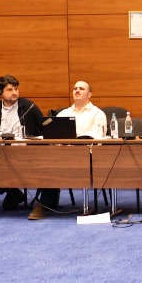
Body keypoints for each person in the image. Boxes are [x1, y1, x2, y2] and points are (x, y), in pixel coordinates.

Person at [32, 81, 108, 219]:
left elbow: (96, 136)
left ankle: (44, 203)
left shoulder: (98, 114)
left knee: (54, 164)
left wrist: (75, 144)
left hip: (87, 157)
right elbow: (53, 136)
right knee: (45, 162)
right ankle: (44, 203)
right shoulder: (63, 113)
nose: (77, 90)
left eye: (81, 88)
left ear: (89, 94)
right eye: (75, 88)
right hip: (62, 154)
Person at [0, 75, 46, 211]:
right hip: (0, 151)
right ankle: (13, 192)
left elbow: (43, 130)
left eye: (16, 89)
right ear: (0, 92)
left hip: (26, 152)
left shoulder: (29, 107)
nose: (14, 92)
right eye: (10, 89)